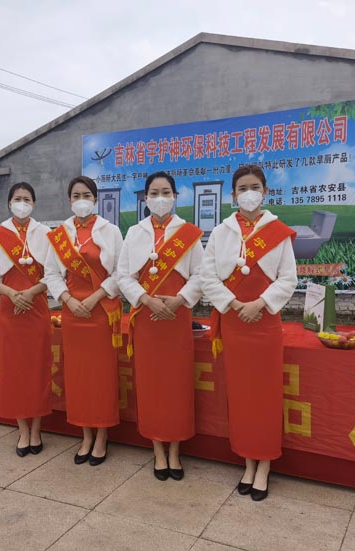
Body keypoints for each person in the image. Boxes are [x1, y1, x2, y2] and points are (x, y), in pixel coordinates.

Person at [200, 164, 297, 501]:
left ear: (265, 192)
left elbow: (288, 278)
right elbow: (208, 276)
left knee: (265, 395)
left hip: (265, 323)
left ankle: (264, 464)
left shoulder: (277, 232)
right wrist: (233, 303)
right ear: (233, 195)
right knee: (240, 394)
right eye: (242, 188)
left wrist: (261, 303)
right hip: (234, 321)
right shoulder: (221, 232)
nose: (249, 193)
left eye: (254, 187)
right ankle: (247, 461)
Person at [117, 171, 203, 481]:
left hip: (177, 319)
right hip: (147, 319)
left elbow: (200, 275)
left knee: (176, 384)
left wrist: (180, 300)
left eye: (166, 192)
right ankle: (157, 450)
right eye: (154, 193)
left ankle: (175, 451)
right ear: (145, 197)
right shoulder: (134, 233)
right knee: (151, 384)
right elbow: (123, 276)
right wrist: (145, 299)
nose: (160, 198)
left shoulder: (188, 233)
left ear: (175, 196)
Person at [43, 176, 124, 466]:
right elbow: (51, 273)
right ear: (69, 200)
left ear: (95, 199)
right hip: (72, 312)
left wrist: (95, 297)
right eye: (76, 195)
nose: (81, 200)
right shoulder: (60, 234)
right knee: (77, 376)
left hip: (101, 311)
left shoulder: (110, 231)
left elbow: (121, 272)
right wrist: (67, 299)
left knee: (100, 376)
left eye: (86, 195)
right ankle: (85, 434)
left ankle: (102, 434)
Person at [0, 182, 52, 457]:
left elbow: (55, 273)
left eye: (27, 199)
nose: (22, 203)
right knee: (15, 372)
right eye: (17, 199)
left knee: (38, 369)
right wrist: (10, 293)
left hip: (37, 307)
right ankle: (22, 430)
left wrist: (30, 293)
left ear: (34, 203)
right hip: (11, 308)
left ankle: (37, 429)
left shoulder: (45, 233)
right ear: (9, 203)